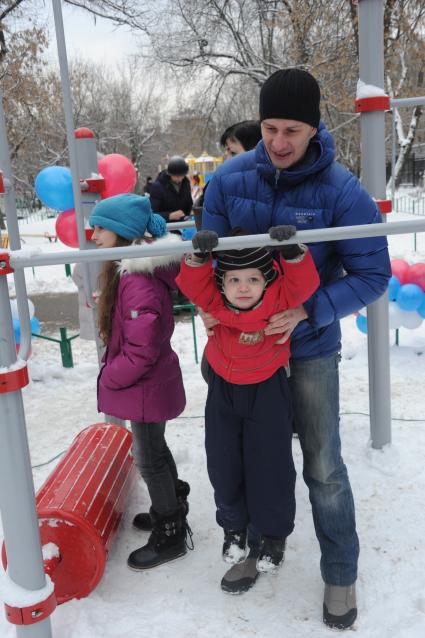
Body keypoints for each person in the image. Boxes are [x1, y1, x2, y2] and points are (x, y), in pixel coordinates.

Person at [201, 68, 392, 629]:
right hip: (242, 352)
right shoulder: (229, 181)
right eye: (269, 128)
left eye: (292, 130)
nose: (279, 143)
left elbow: (372, 273)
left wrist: (309, 309)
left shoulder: (341, 190)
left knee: (323, 463)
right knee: (244, 454)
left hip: (307, 348)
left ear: (314, 128)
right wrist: (226, 315)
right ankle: (258, 544)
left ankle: (340, 573)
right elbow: (209, 266)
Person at [177, 225, 319, 581]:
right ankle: (233, 529)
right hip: (224, 392)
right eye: (234, 280)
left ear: (267, 281)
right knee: (224, 463)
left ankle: (273, 536)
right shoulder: (214, 303)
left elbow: (303, 283)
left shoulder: (279, 299)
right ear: (221, 284)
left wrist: (290, 252)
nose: (243, 288)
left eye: (253, 280)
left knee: (270, 465)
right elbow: (193, 283)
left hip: (267, 391)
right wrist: (198, 257)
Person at [88, 193, 191, 570]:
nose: (93, 233)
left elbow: (142, 348)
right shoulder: (131, 270)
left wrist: (111, 378)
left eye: (101, 227)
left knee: (147, 459)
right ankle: (172, 504)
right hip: (149, 384)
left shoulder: (137, 280)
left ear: (122, 231)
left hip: (144, 385)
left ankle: (170, 532)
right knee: (155, 449)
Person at [149, 156, 193, 222]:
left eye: (182, 176)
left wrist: (191, 211)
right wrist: (169, 216)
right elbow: (151, 214)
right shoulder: (157, 187)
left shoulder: (186, 183)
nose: (180, 179)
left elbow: (189, 203)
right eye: (177, 176)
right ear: (170, 174)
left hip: (183, 225)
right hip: (166, 226)